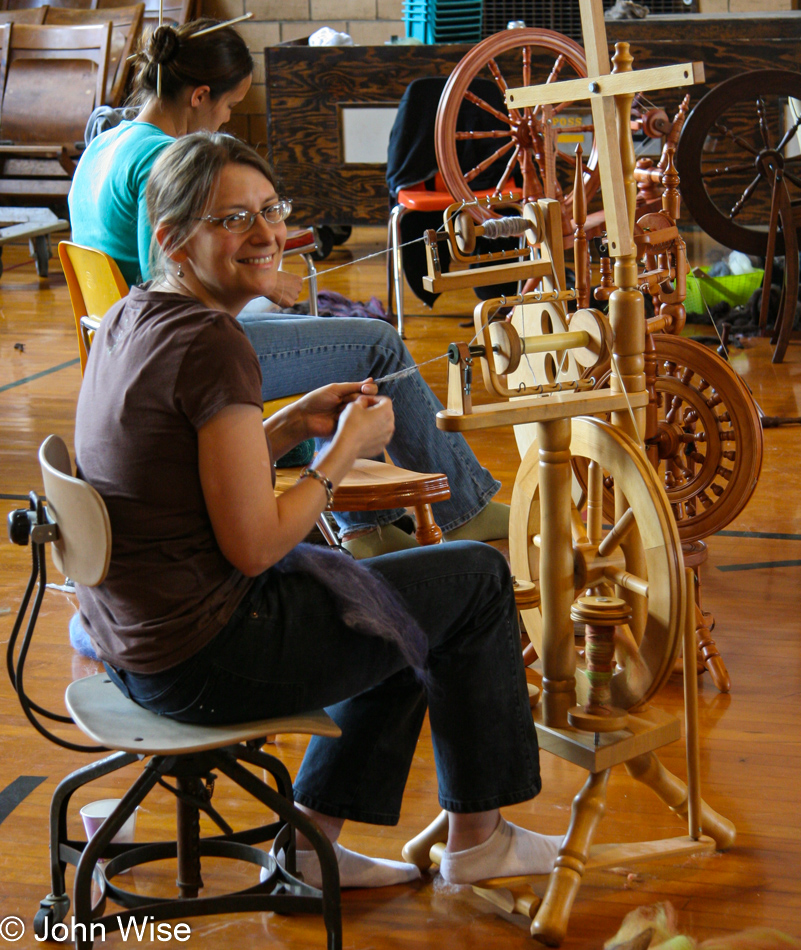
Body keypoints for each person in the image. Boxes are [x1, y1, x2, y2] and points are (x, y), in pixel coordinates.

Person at [73, 131, 562, 891]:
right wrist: (339, 456)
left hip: (141, 645)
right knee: (474, 581)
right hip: (204, 659)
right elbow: (255, 546)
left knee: (390, 594)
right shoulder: (211, 344)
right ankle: (479, 839)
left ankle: (309, 849)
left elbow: (180, 479)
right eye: (232, 219)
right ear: (172, 238)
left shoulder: (134, 317)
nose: (265, 235)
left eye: (270, 210)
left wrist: (291, 425)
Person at [67, 18, 508, 558]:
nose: (228, 118)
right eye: (229, 107)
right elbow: (164, 273)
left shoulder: (103, 143)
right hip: (171, 352)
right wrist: (263, 277)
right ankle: (463, 509)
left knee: (340, 342)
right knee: (374, 342)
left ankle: (369, 527)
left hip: (119, 343)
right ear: (201, 96)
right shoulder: (164, 160)